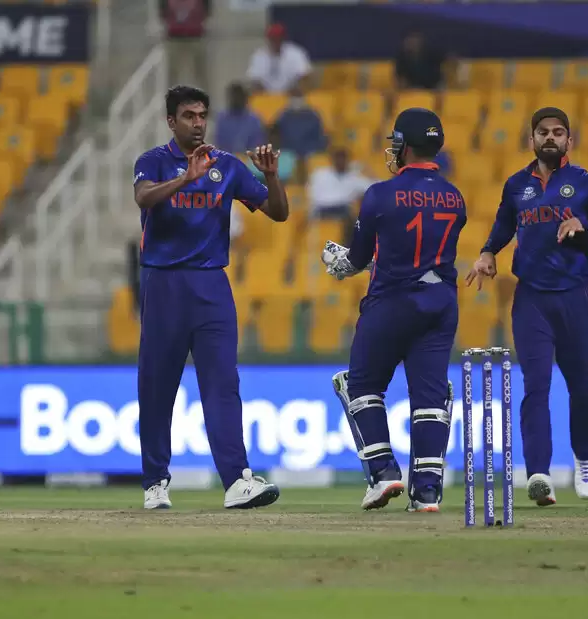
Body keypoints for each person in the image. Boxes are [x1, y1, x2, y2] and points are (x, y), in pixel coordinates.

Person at [132, 85, 289, 510]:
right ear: (171, 121)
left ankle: (237, 481)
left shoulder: (227, 165)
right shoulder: (152, 161)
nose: (198, 123)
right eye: (189, 116)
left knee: (222, 384)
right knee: (157, 387)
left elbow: (279, 213)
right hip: (164, 284)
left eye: (202, 115)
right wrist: (185, 178)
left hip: (211, 286)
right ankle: (155, 483)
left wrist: (272, 177)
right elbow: (143, 197)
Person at [465, 107, 588, 507]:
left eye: (558, 132)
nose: (550, 137)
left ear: (569, 140)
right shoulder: (517, 185)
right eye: (543, 132)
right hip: (531, 298)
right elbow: (503, 225)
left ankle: (585, 457)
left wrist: (584, 226)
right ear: (531, 139)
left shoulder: (586, 183)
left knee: (579, 386)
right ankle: (539, 474)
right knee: (536, 386)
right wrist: (487, 252)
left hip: (574, 295)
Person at [323, 108, 466, 513]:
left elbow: (360, 258)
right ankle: (427, 492)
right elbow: (422, 257)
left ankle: (384, 473)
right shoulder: (455, 197)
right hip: (440, 303)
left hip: (391, 302)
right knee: (431, 396)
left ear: (403, 145)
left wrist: (341, 264)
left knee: (360, 385)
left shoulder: (379, 194)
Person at [246, 23, 312, 94]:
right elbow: (255, 80)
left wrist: (297, 88)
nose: (275, 41)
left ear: (283, 38)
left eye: (278, 38)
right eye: (273, 39)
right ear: (268, 39)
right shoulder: (259, 55)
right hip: (266, 96)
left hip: (290, 96)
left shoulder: (296, 53)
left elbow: (304, 76)